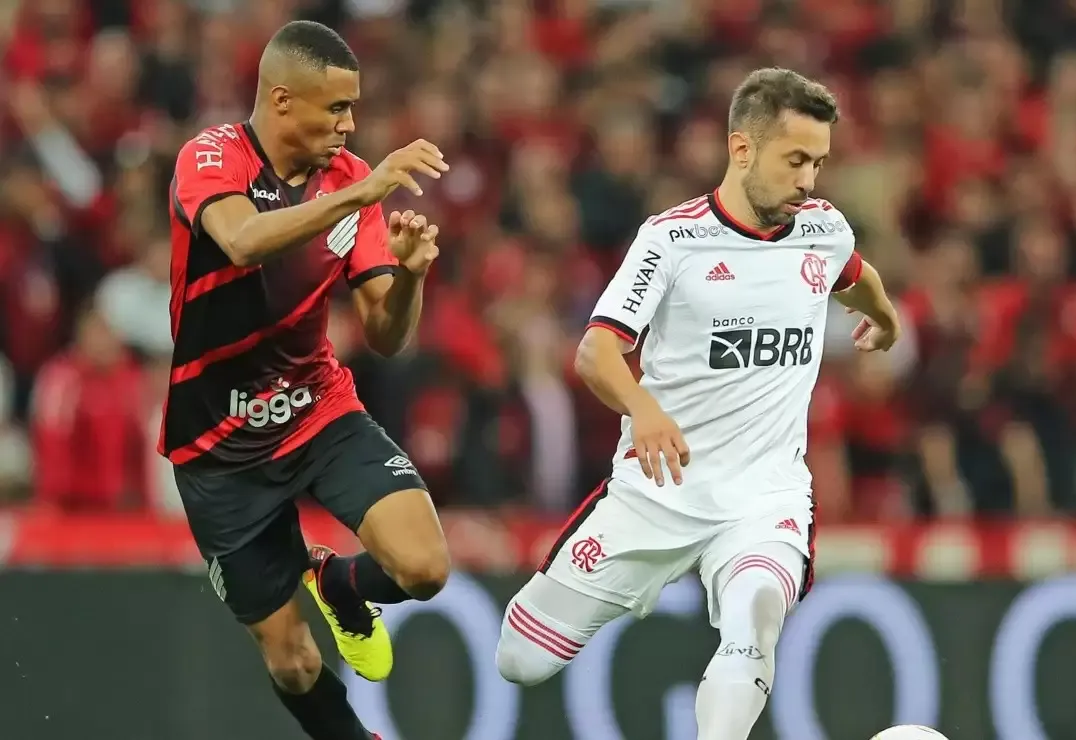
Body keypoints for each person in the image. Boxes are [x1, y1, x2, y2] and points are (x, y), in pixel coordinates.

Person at [495, 68, 902, 740]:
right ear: (742, 149)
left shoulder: (822, 230)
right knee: (521, 659)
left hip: (763, 497)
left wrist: (884, 319)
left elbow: (855, 274)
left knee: (755, 621)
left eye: (819, 163)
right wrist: (643, 409)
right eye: (795, 160)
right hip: (658, 490)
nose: (808, 180)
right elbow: (595, 352)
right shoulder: (672, 240)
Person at [162, 20, 451, 740]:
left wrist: (410, 278)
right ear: (283, 99)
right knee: (291, 662)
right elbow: (241, 240)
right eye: (337, 108)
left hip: (315, 407)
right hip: (217, 441)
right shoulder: (212, 156)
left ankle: (338, 582)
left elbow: (386, 335)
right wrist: (360, 196)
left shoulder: (351, 179)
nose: (349, 126)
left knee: (424, 568)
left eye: (353, 109)